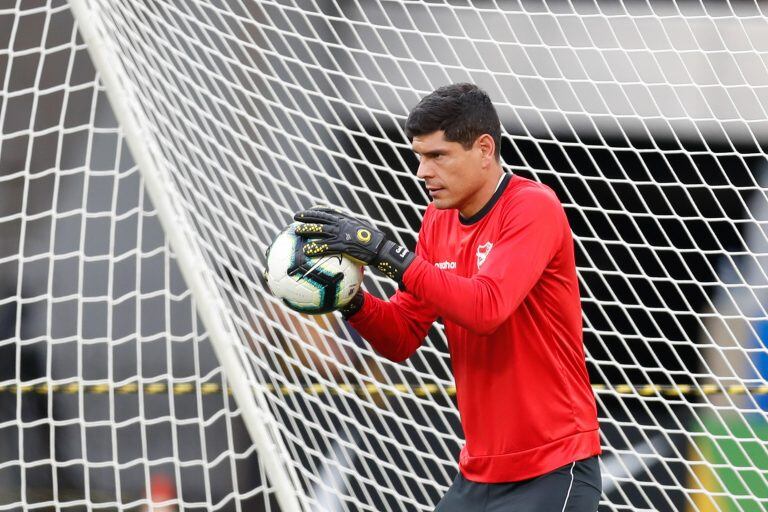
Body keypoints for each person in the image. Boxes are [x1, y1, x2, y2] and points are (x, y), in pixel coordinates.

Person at [292, 83, 602, 511]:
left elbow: (486, 307)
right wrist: (350, 300)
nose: (422, 171)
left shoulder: (532, 207)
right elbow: (402, 336)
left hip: (552, 468)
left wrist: (388, 255)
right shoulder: (437, 222)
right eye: (419, 156)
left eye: (437, 155)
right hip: (478, 474)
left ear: (484, 149)